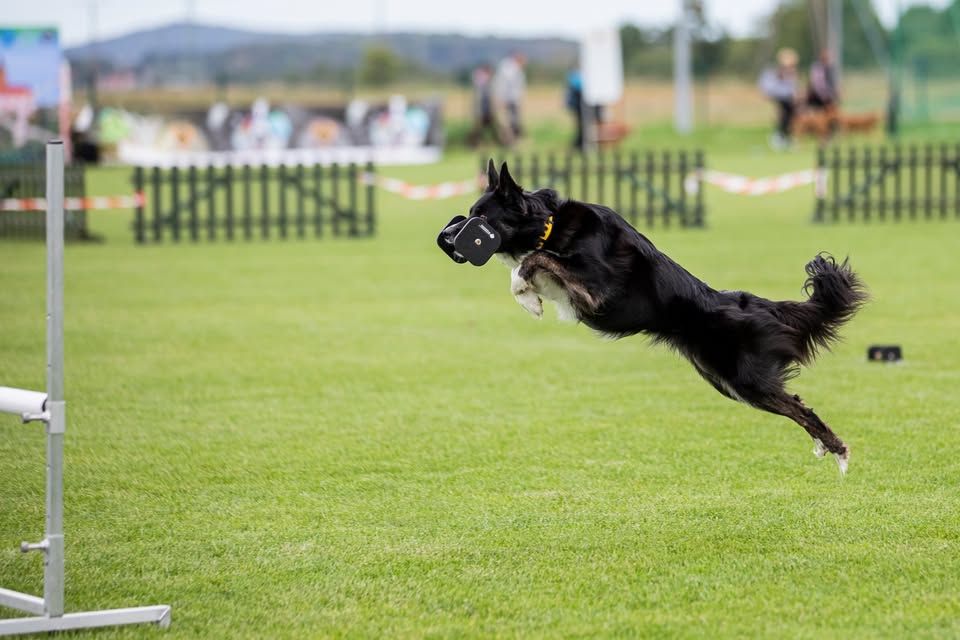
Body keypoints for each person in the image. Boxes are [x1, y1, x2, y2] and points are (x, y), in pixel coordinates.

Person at [758, 48, 799, 150]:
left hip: (787, 97)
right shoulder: (779, 71)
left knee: (790, 116)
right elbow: (775, 87)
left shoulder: (791, 72)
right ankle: (779, 137)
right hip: (780, 96)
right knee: (784, 115)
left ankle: (787, 137)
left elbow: (792, 88)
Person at [494, 51, 526, 142]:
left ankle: (513, 140)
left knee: (514, 121)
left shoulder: (515, 69)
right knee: (507, 122)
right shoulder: (508, 70)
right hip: (507, 100)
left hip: (513, 100)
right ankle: (507, 141)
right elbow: (502, 85)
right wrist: (501, 99)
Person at [468, 63, 501, 147]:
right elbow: (481, 98)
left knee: (492, 127)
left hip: (486, 110)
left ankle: (495, 142)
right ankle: (474, 144)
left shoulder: (483, 82)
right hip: (482, 111)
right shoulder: (481, 82)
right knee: (478, 129)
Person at [565, 65, 584, 149]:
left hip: (579, 105)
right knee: (580, 124)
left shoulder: (573, 76)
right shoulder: (575, 76)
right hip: (578, 105)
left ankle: (579, 141)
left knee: (580, 124)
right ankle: (580, 141)